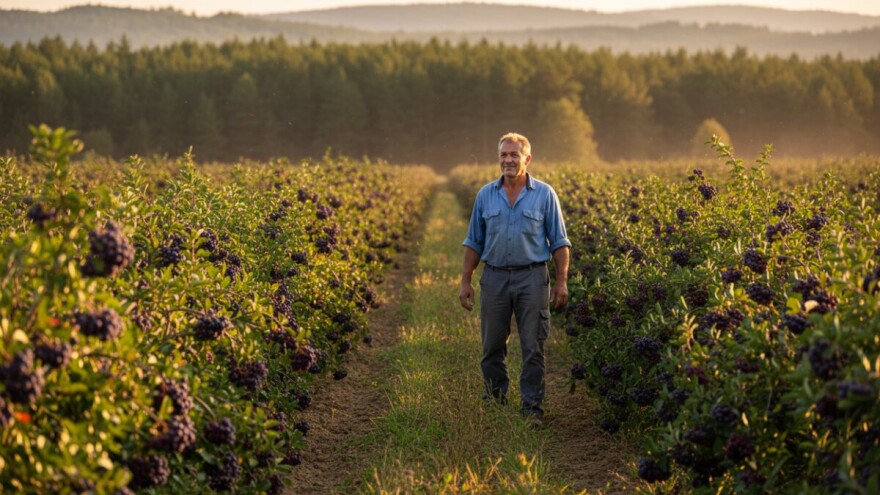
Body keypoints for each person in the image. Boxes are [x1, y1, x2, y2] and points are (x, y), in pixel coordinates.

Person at [459, 132, 571, 427]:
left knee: (534, 344)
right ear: (499, 159)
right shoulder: (485, 195)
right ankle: (495, 399)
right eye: (504, 155)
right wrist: (465, 281)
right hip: (494, 277)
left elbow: (560, 242)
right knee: (492, 345)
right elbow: (473, 242)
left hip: (532, 277)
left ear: (527, 159)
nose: (508, 160)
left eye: (514, 155)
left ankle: (531, 407)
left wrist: (561, 282)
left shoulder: (545, 194)